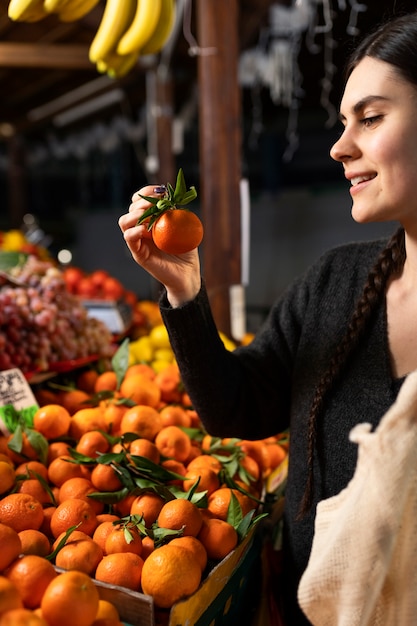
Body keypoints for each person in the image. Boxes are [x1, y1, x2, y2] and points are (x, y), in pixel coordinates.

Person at [118, 11, 417, 625]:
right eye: (342, 122)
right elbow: (238, 407)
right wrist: (186, 292)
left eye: (371, 117)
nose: (339, 146)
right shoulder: (336, 282)